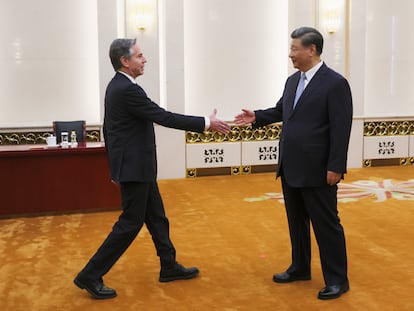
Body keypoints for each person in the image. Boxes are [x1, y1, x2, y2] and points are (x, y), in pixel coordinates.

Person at [74, 38, 230, 299]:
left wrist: (116, 168)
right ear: (125, 61)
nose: (144, 59)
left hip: (138, 167)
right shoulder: (126, 89)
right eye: (139, 56)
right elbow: (163, 116)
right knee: (130, 224)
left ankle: (168, 265)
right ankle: (90, 274)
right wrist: (206, 123)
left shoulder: (118, 86)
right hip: (136, 169)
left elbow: (108, 130)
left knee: (157, 217)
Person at [234, 27, 352, 300]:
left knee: (326, 225)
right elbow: (282, 111)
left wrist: (336, 166)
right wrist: (257, 116)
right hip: (290, 167)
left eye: (294, 49)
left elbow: (341, 128)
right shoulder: (291, 81)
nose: (291, 54)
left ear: (311, 50)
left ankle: (337, 279)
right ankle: (300, 267)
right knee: (296, 222)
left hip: (319, 169)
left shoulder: (335, 83)